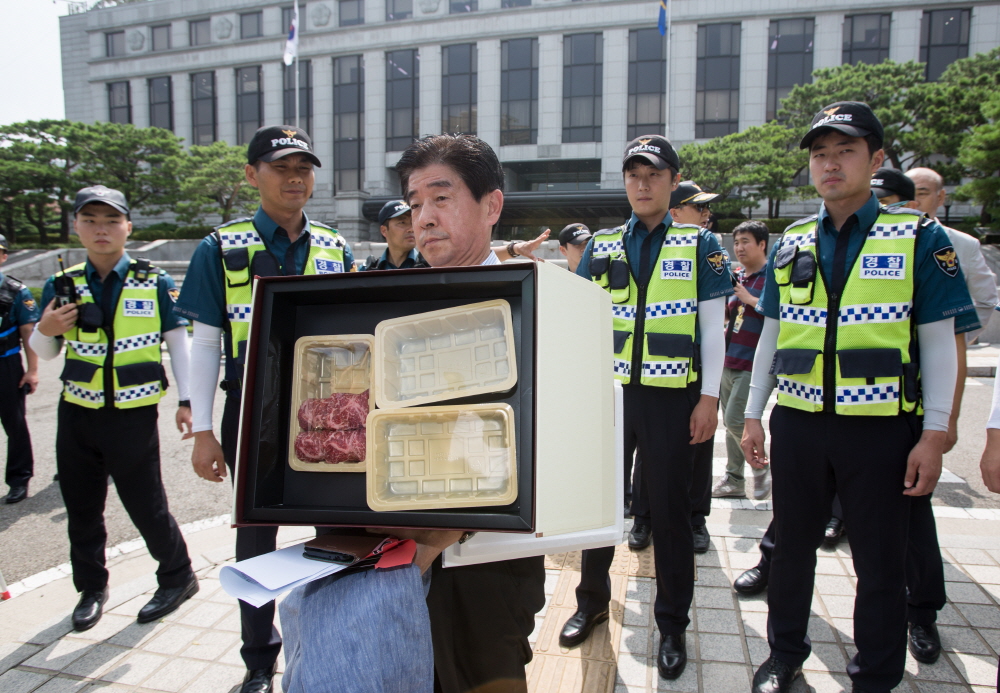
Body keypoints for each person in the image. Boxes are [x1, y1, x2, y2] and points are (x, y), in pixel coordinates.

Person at [740, 102, 977, 693]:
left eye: (844, 151)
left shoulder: (919, 236)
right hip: (797, 421)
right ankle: (784, 655)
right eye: (820, 154)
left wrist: (935, 433)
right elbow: (772, 333)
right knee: (792, 549)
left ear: (875, 160)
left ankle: (874, 674)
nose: (830, 163)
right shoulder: (793, 239)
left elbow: (941, 343)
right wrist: (752, 416)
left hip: (880, 428)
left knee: (879, 562)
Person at [174, 125, 355, 693]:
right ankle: (259, 657)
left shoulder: (333, 246)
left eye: (304, 167)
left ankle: (332, 637)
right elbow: (205, 343)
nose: (296, 178)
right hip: (251, 411)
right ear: (253, 176)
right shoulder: (220, 248)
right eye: (282, 167)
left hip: (325, 410)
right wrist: (203, 430)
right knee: (255, 535)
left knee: (337, 527)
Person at [559, 136, 732, 680]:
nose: (641, 183)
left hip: (672, 396)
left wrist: (709, 398)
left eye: (652, 174)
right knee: (598, 505)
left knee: (671, 512)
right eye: (633, 173)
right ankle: (590, 602)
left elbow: (712, 327)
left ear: (673, 180)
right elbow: (580, 319)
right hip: (610, 395)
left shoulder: (700, 245)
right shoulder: (604, 244)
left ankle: (673, 622)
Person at [29, 185, 197, 633]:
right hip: (77, 410)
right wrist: (45, 329)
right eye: (90, 220)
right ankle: (91, 588)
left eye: (110, 220)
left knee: (146, 503)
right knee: (81, 505)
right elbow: (45, 353)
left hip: (132, 412)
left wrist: (187, 401)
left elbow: (179, 344)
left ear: (128, 227)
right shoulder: (63, 284)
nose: (100, 229)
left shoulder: (153, 280)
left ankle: (178, 576)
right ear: (77, 227)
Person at [712, 220, 771, 501]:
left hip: (753, 361)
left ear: (762, 244)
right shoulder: (738, 276)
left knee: (737, 419)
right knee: (729, 421)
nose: (739, 247)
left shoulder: (772, 277)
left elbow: (778, 313)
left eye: (746, 241)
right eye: (736, 242)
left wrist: (750, 299)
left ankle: (760, 465)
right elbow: (729, 317)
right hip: (729, 357)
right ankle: (734, 479)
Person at [0, 234, 40, 504]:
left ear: (4, 256)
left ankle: (19, 478)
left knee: (14, 424)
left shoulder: (15, 291)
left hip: (6, 364)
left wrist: (32, 369)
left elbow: (28, 331)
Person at [362, 200, 425, 270]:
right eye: (402, 222)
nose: (411, 229)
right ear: (384, 230)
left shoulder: (430, 268)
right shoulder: (368, 271)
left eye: (413, 222)